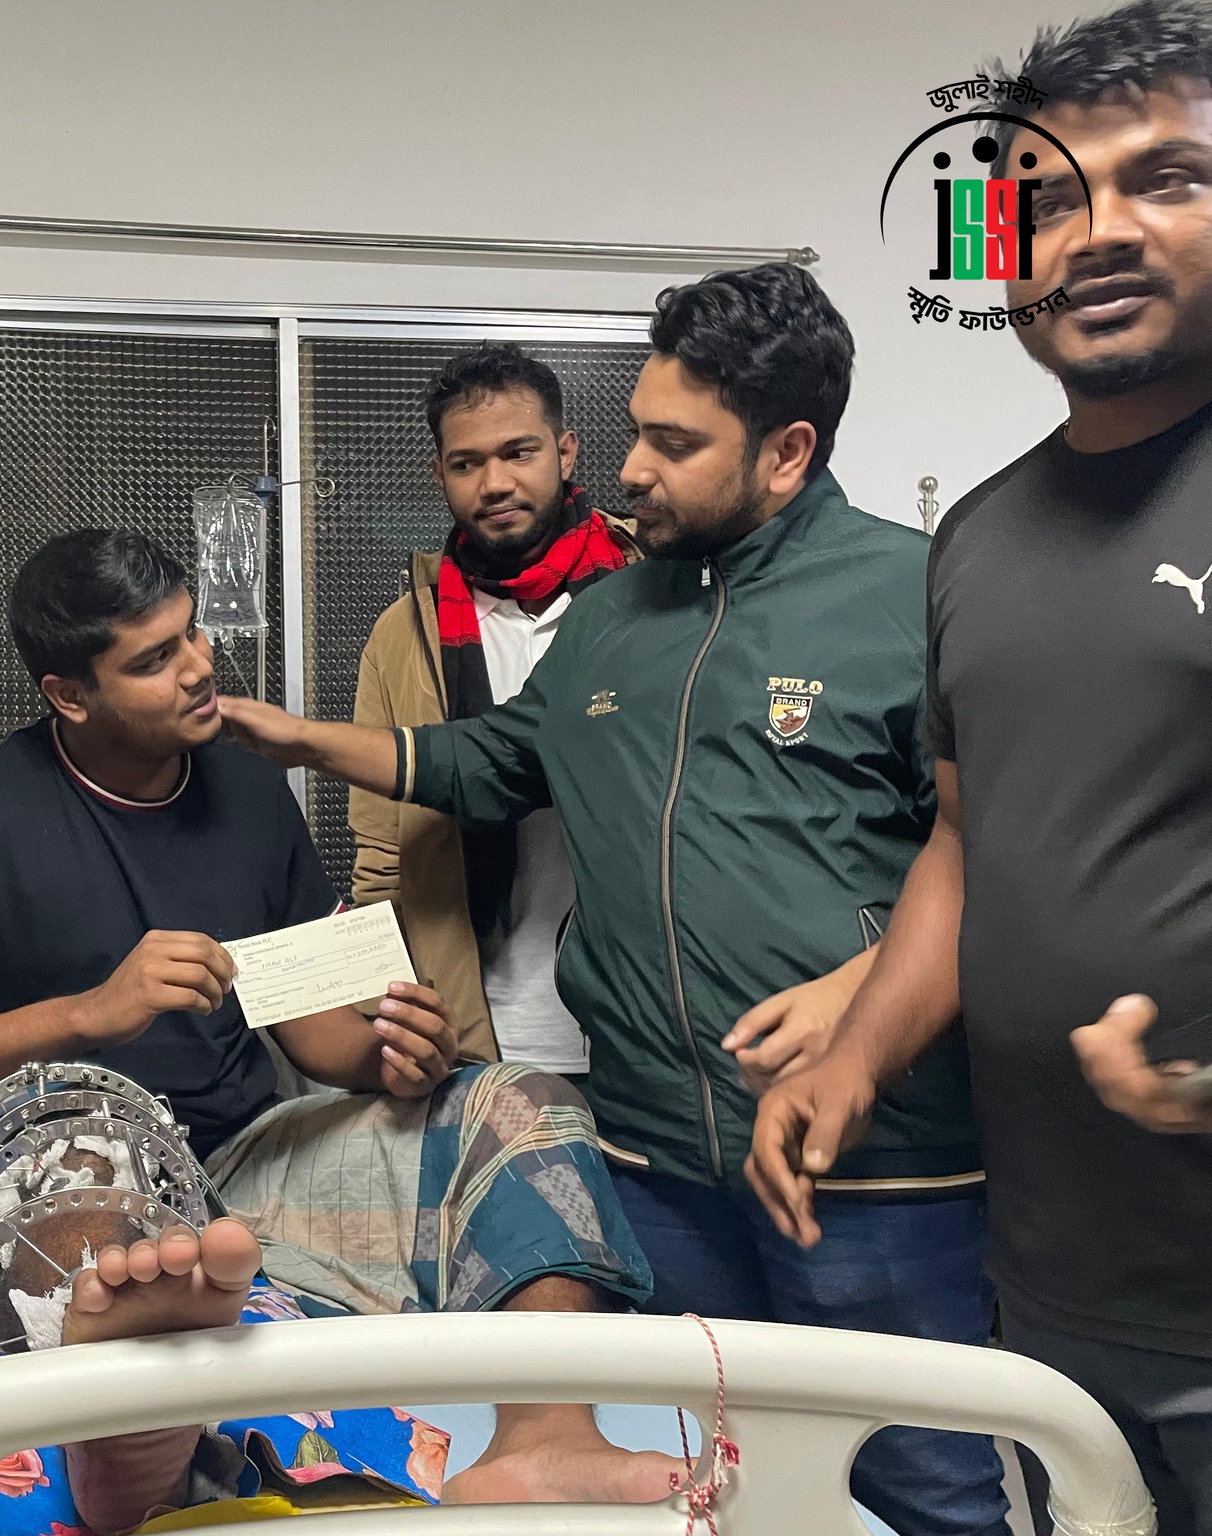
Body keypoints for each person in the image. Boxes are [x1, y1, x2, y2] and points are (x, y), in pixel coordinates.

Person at [220, 264, 1012, 1536]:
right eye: (637, 430)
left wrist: (859, 994)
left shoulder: (913, 596)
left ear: (785, 452)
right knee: (710, 1484)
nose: (632, 470)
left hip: (869, 1169)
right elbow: (493, 760)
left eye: (673, 443)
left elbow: (999, 862)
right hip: (651, 1165)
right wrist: (302, 740)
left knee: (920, 1490)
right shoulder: (611, 617)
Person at [0, 527, 683, 1534]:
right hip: (52, 1143)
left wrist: (392, 1057)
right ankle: (126, 1438)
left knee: (519, 1101)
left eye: (192, 634)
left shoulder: (248, 793)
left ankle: (544, 1438)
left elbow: (313, 1029)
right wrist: (87, 1016)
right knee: (85, 1161)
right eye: (153, 659)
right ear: (69, 695)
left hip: (233, 1161)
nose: (198, 668)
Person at [746, 5, 1212, 1529]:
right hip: (1055, 1279)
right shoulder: (980, 536)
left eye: (1167, 177)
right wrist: (856, 1056)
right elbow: (965, 839)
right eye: (1050, 199)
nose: (1098, 232)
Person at [349, 342, 640, 1072]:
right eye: (466, 463)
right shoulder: (403, 637)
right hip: (481, 1030)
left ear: (565, 451)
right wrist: (396, 1025)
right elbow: (383, 861)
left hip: (646, 1027)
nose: (495, 483)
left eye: (519, 452)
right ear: (439, 474)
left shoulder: (653, 597)